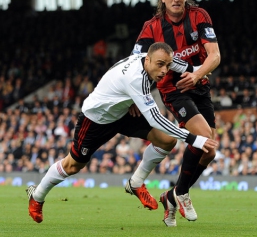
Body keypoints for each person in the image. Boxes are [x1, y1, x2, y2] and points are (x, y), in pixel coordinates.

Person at [26, 42, 218, 223]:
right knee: (73, 165)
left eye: (167, 66)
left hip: (124, 111)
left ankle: (136, 183)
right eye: (160, 65)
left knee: (166, 141)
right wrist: (195, 140)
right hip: (97, 118)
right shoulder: (135, 78)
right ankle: (37, 196)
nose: (164, 71)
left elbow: (184, 67)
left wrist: (200, 72)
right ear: (148, 60)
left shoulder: (157, 58)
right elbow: (155, 119)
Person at [128, 0, 220, 226]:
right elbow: (135, 64)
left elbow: (215, 55)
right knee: (205, 139)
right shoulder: (152, 27)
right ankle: (181, 193)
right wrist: (134, 95)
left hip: (199, 87)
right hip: (173, 90)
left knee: (210, 151)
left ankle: (172, 195)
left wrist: (197, 75)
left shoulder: (199, 15)